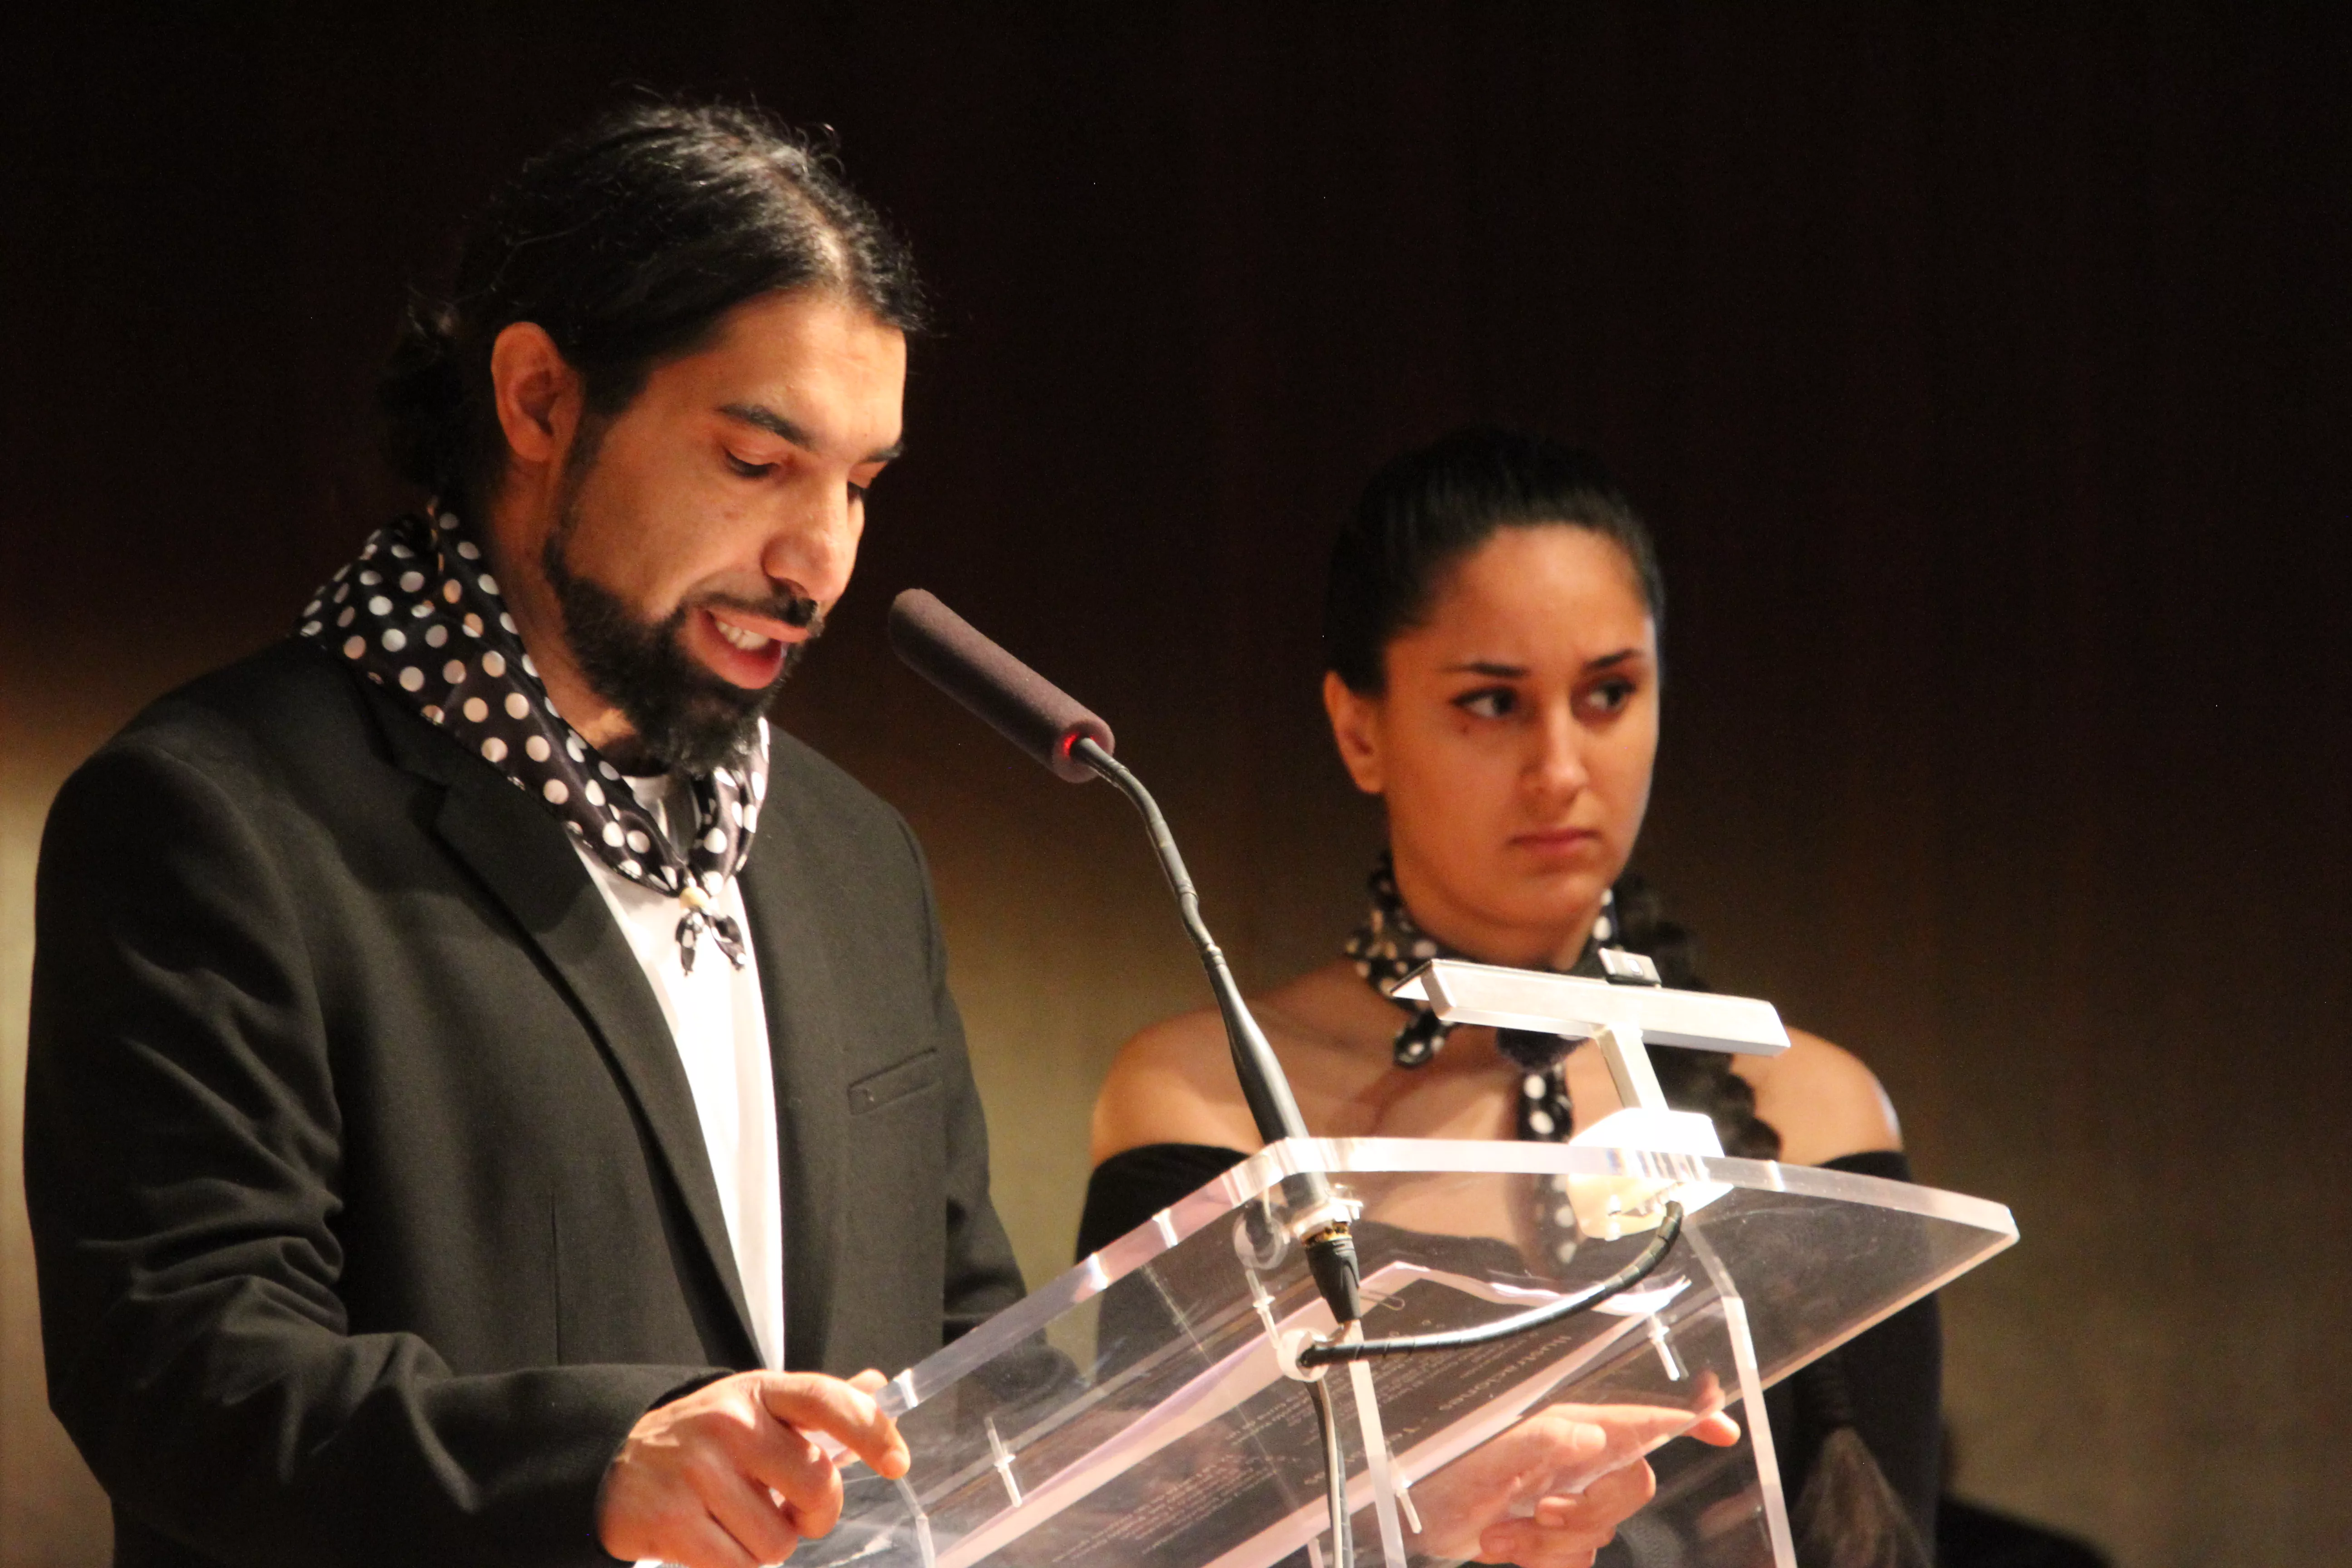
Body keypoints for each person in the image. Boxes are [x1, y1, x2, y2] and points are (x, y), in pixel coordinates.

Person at [24, 107, 1706, 1568]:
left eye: (861, 482)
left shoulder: (843, 857)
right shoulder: (223, 816)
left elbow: (988, 1399)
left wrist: (1389, 1491)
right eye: (759, 460)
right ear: (537, 398)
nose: (818, 560)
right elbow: (183, 1372)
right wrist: (609, 1463)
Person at [1083, 428, 1943, 1565]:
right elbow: (1155, 1541)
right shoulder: (1212, 1099)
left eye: (1609, 694)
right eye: (1492, 704)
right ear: (1359, 728)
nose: (1561, 767)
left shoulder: (1817, 1107)